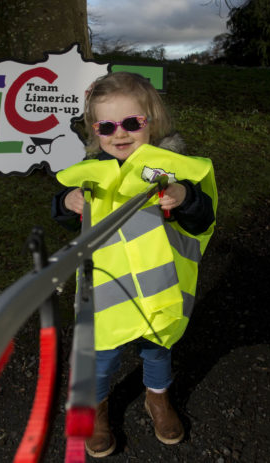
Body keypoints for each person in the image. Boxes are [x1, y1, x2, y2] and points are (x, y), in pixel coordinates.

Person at [51, 72, 217, 458]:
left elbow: (201, 219)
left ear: (151, 121)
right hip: (109, 291)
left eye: (131, 123)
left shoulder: (173, 169)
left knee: (157, 349)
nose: (120, 134)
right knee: (102, 352)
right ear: (95, 131)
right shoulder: (91, 174)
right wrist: (67, 203)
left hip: (158, 288)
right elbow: (63, 213)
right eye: (107, 126)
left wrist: (183, 196)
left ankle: (157, 399)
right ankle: (98, 408)